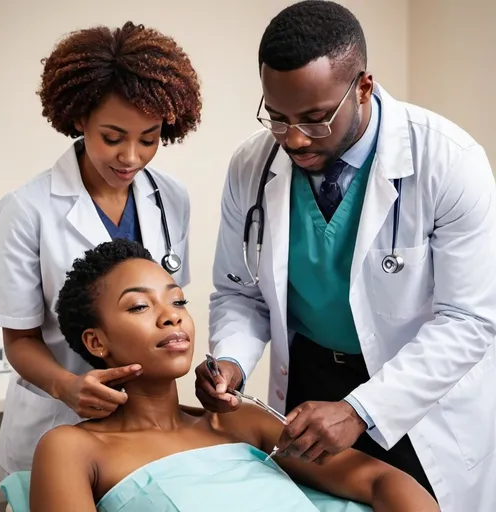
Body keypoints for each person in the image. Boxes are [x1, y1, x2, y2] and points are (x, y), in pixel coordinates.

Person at [194, 1, 496, 511]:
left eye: (314, 119)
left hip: (416, 392)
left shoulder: (447, 161)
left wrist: (361, 408)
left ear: (362, 87)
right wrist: (231, 360)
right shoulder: (252, 163)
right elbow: (240, 293)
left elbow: (469, 319)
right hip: (309, 380)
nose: (292, 138)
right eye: (277, 117)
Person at [0, 239, 438, 512]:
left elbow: (384, 481)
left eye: (178, 302)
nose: (171, 318)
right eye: (139, 306)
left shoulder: (240, 421)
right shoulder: (73, 448)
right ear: (96, 342)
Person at [0, 21, 202, 474]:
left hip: (143, 440)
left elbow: (168, 302)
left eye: (149, 138)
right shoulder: (27, 209)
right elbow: (19, 340)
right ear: (80, 119)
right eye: (112, 137)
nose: (130, 158)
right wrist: (67, 386)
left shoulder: (170, 199)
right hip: (54, 425)